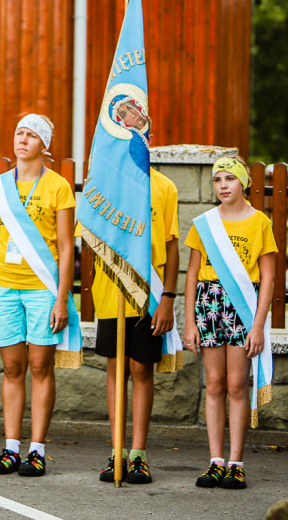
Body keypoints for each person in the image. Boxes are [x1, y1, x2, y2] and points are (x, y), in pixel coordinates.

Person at [0, 114, 75, 478]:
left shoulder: (58, 187)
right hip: (3, 287)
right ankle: (10, 448)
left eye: (31, 135)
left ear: (43, 145)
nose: (22, 140)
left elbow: (66, 247)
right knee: (12, 367)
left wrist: (62, 298)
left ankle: (37, 450)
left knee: (39, 366)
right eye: (19, 132)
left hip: (42, 290)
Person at [184, 156, 277, 490]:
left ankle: (236, 463)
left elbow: (267, 278)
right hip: (209, 304)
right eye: (217, 179)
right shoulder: (204, 223)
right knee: (214, 383)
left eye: (230, 179)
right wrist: (190, 321)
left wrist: (258, 325)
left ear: (244, 183)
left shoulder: (259, 222)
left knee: (237, 385)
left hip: (243, 306)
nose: (223, 185)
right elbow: (192, 274)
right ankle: (215, 461)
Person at [89, 166, 180, 484]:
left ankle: (138, 455)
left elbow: (171, 245)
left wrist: (168, 296)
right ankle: (117, 451)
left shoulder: (164, 186)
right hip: (111, 290)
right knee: (116, 369)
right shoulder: (103, 181)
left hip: (149, 294)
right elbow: (88, 235)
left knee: (142, 370)